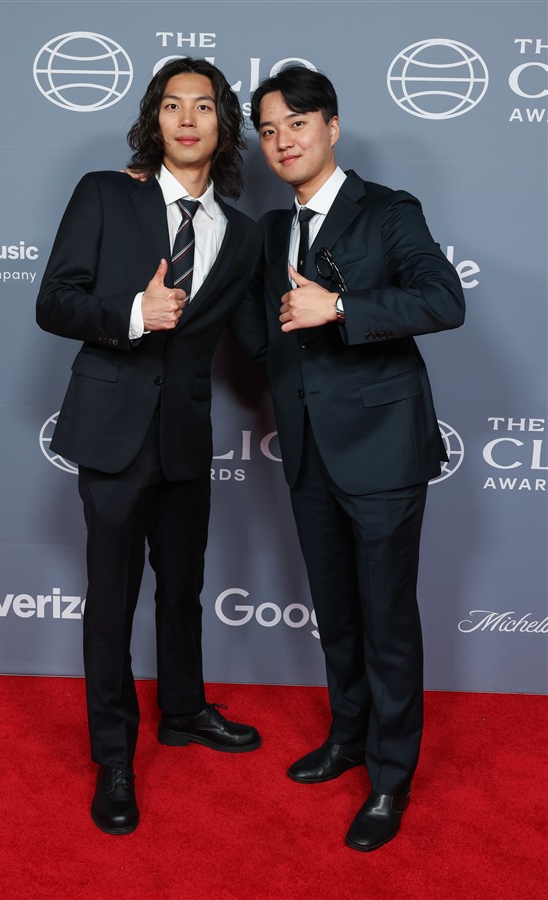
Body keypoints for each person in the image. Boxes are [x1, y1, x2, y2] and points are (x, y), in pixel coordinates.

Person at [237, 66, 465, 851]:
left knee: (387, 622)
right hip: (307, 450)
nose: (282, 142)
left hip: (383, 452)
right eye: (269, 130)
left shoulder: (389, 211)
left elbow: (443, 300)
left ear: (331, 127)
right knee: (335, 617)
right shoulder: (273, 230)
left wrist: (338, 306)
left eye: (297, 124)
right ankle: (348, 738)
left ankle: (391, 777)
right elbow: (255, 322)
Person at [36, 57, 261, 836]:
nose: (187, 119)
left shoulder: (243, 234)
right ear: (154, 120)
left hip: (186, 439)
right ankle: (115, 757)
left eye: (203, 105)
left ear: (223, 124)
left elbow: (257, 341)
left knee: (182, 589)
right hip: (112, 431)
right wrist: (135, 311)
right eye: (172, 105)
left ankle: (184, 709)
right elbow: (55, 300)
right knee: (112, 599)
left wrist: (338, 319)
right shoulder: (106, 193)